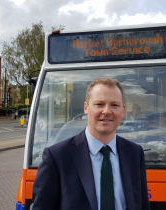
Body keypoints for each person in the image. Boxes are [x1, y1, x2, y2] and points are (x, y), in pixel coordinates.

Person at [32, 78, 151, 210]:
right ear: (86, 108)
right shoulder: (57, 157)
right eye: (99, 104)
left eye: (114, 105)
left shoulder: (135, 153)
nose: (106, 111)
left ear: (123, 111)